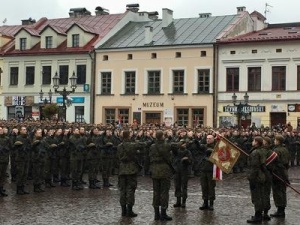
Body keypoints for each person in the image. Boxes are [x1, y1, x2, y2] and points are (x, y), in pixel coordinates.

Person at [117, 130, 145, 217]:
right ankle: (129, 211)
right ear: (129, 136)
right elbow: (143, 145)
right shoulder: (132, 145)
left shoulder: (119, 146)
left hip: (122, 169)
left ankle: (123, 211)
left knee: (122, 190)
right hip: (131, 169)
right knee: (130, 190)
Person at [149, 130, 174, 221]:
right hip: (164, 171)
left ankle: (156, 214)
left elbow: (150, 157)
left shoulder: (152, 146)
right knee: (164, 192)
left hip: (155, 171)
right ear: (162, 136)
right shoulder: (166, 145)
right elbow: (173, 147)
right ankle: (163, 214)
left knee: (156, 192)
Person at [246, 136, 267, 223]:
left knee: (257, 197)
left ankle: (258, 216)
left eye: (254, 141)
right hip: (261, 176)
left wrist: (251, 178)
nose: (252, 142)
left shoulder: (255, 152)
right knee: (261, 195)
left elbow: (254, 167)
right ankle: (259, 214)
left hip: (256, 177)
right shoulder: (262, 150)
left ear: (257, 142)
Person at [270, 135, 290, 218]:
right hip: (284, 172)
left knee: (278, 192)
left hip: (278, 172)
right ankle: (282, 209)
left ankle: (280, 210)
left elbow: (274, 162)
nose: (274, 141)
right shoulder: (285, 149)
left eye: (275, 140)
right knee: (282, 191)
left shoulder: (276, 150)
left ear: (278, 141)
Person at [172, 139, 193, 208]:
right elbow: (172, 146)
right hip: (177, 171)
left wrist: (186, 160)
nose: (183, 145)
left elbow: (190, 161)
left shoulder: (188, 152)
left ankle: (183, 202)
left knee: (184, 187)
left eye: (184, 144)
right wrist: (178, 144)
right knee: (177, 186)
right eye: (182, 144)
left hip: (184, 171)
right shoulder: (176, 151)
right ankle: (178, 201)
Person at [199, 134, 216, 211]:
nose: (208, 140)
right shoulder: (204, 146)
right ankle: (205, 202)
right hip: (203, 169)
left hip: (211, 169)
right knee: (204, 186)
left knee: (211, 187)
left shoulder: (216, 147)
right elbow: (198, 147)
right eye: (207, 138)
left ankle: (211, 203)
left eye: (209, 138)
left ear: (213, 139)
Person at [0, 126, 11, 197]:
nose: (0, 131)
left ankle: (1, 188)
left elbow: (10, 146)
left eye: (1, 130)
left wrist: (6, 149)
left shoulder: (7, 138)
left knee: (2, 175)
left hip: (5, 159)